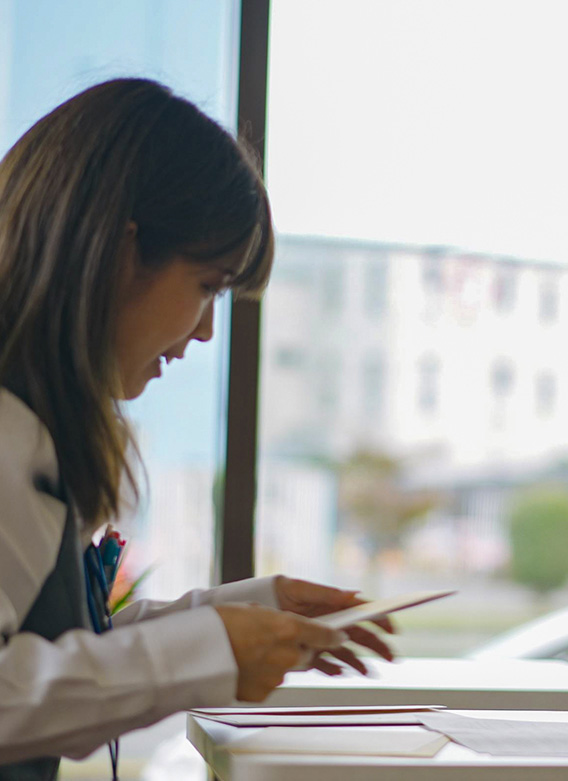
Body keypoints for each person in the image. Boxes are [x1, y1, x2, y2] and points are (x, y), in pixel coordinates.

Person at [0, 79, 396, 779]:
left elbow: (49, 648)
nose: (208, 329)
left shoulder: (29, 423)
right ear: (123, 254)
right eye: (208, 284)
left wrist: (244, 615)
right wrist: (211, 645)